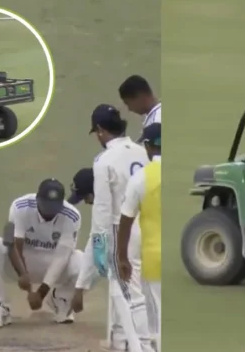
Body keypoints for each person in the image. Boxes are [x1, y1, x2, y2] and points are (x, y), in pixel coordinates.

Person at [74, 104, 153, 352]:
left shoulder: (103, 161)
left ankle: (143, 346)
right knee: (143, 291)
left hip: (124, 232)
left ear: (100, 130)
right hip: (149, 225)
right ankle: (125, 342)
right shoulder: (143, 151)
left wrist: (96, 262)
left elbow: (102, 214)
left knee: (128, 293)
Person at [0, 179, 84, 328]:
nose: (50, 210)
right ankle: (0, 307)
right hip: (21, 260)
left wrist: (41, 293)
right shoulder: (20, 206)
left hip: (52, 263)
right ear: (37, 199)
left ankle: (60, 299)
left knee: (83, 261)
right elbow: (14, 244)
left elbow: (62, 257)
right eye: (46, 204)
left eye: (54, 206)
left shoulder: (72, 215)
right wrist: (23, 274)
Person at [117, 123, 162, 352]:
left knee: (158, 321)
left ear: (148, 146)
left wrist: (122, 257)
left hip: (154, 259)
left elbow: (125, 220)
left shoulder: (141, 178)